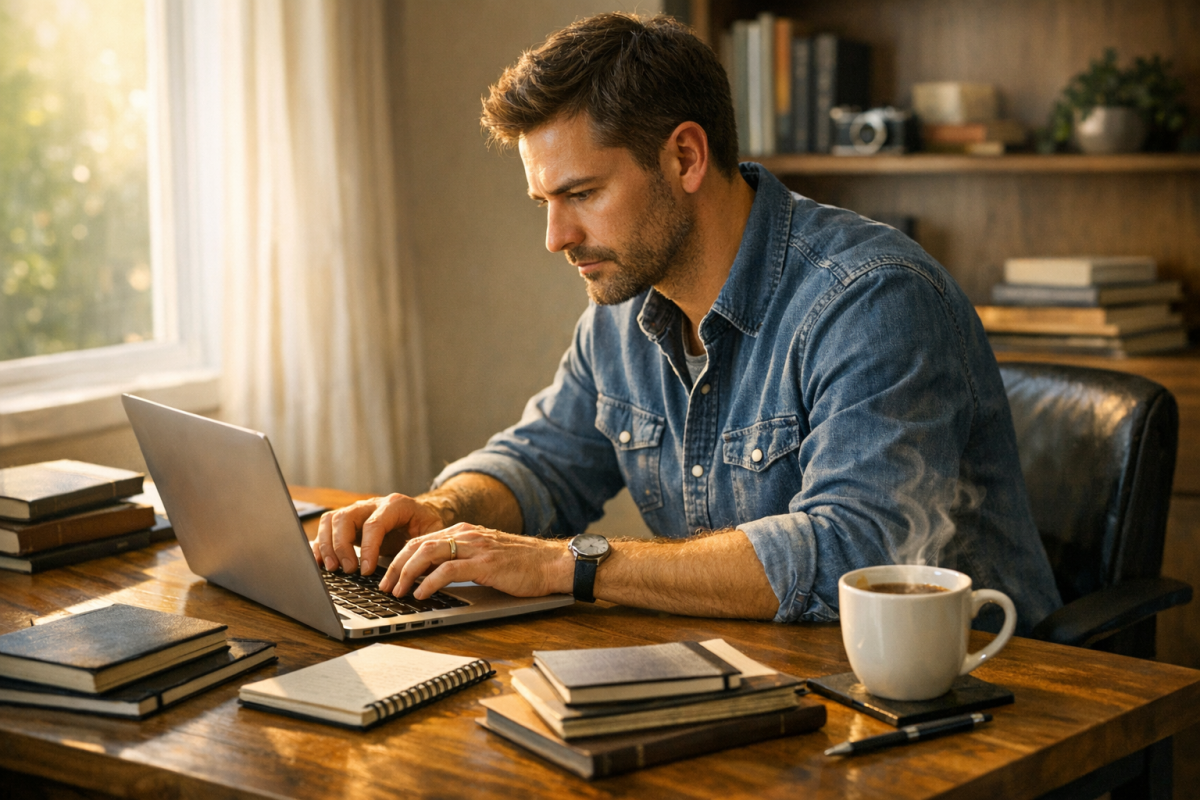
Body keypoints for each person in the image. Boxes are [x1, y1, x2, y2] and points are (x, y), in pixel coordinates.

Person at [312, 12, 1061, 633]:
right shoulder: (622, 310)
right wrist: (442, 512)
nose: (557, 238)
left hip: (974, 698)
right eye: (545, 203)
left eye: (582, 193)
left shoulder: (871, 299)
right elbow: (544, 461)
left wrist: (565, 563)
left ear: (685, 157)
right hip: (762, 681)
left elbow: (854, 554)